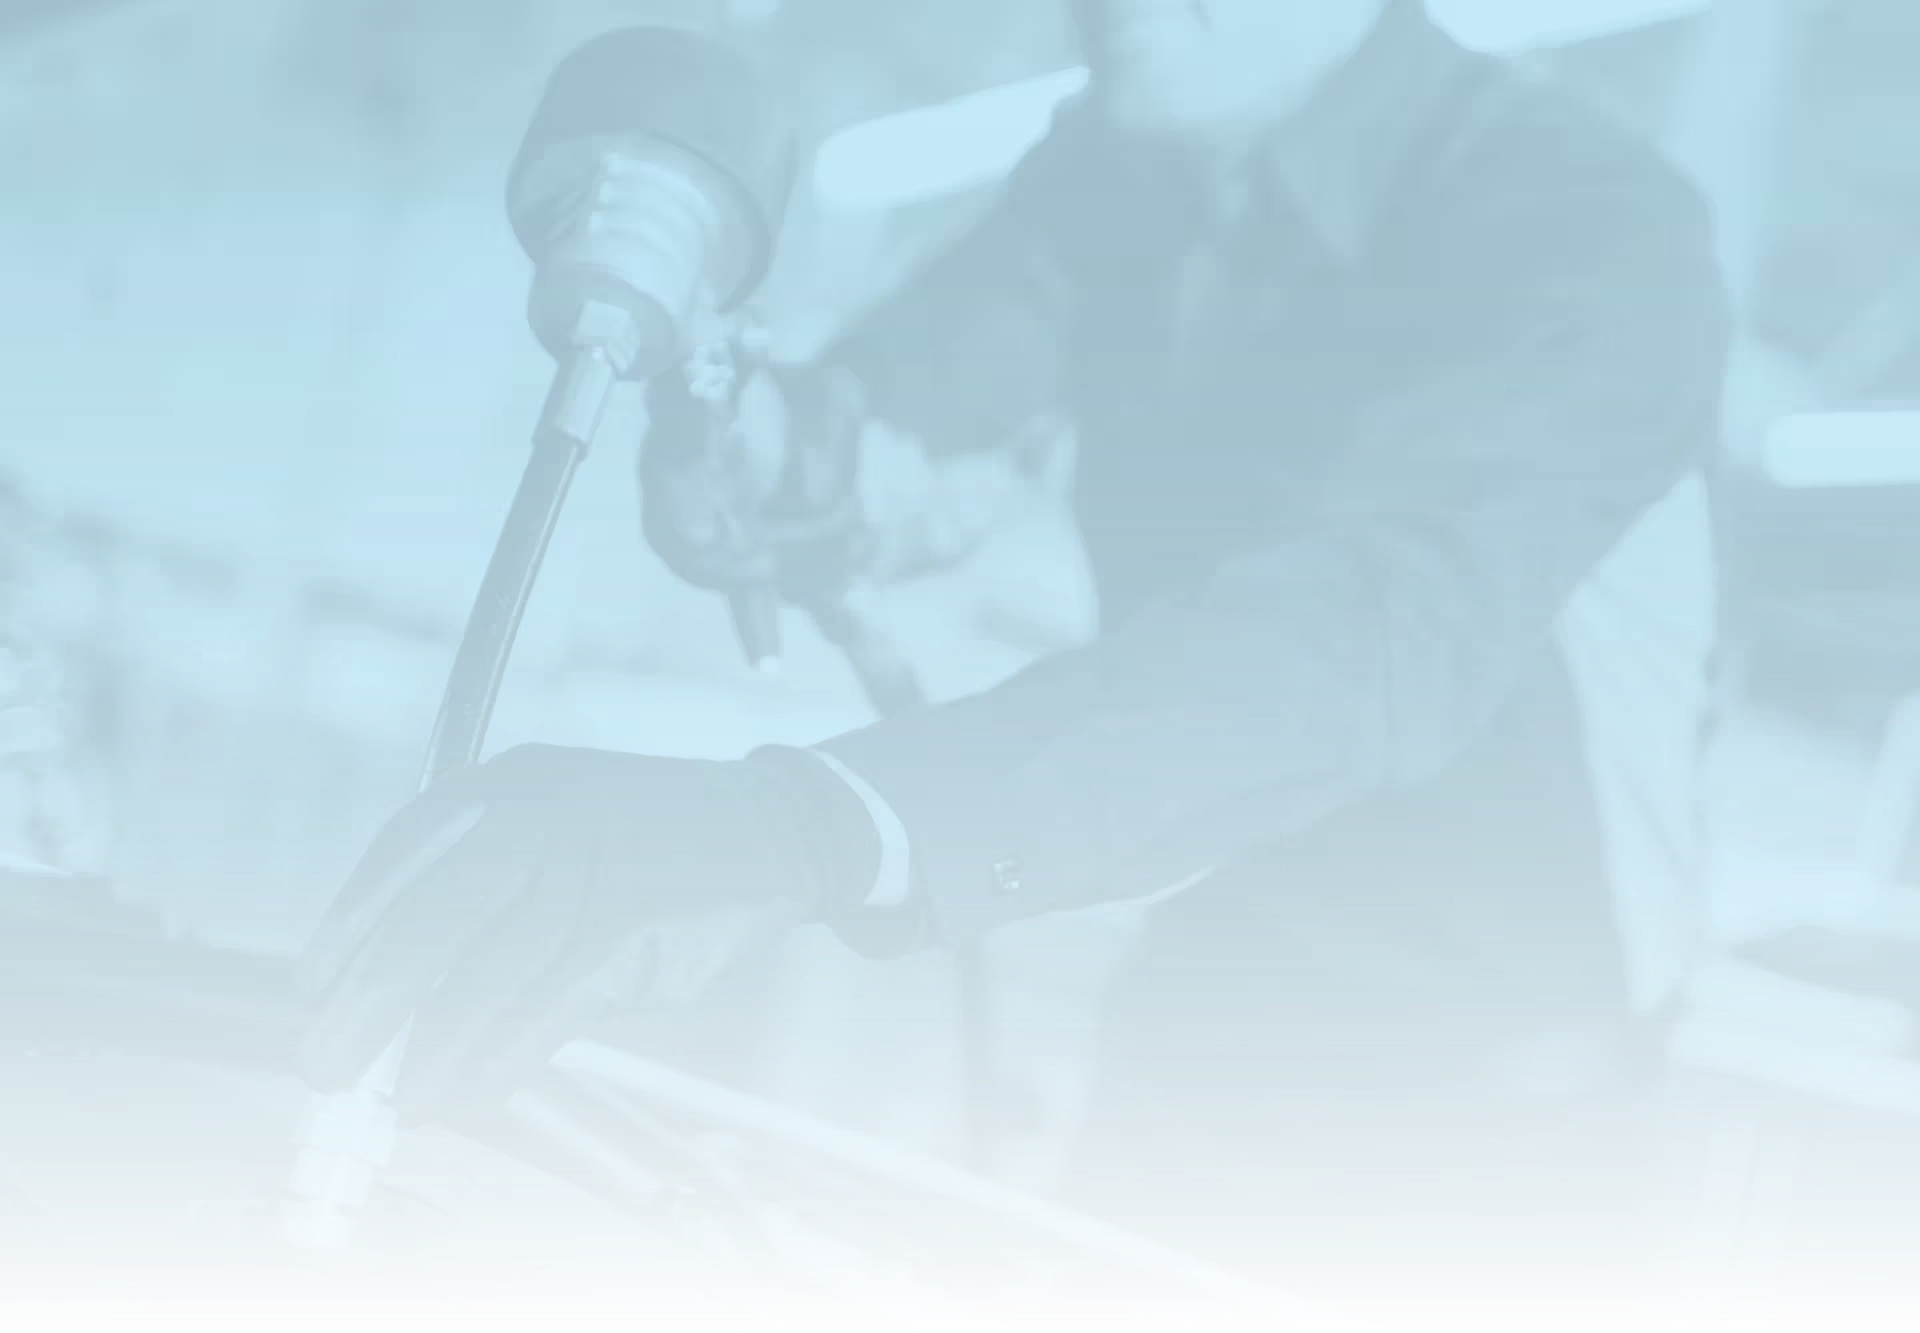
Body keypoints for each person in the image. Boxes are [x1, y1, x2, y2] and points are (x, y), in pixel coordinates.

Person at [294, 0, 1733, 1319]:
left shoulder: (1593, 232)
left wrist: (800, 824)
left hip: (1492, 1164)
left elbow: (1364, 640)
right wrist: (744, 432)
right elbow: (901, 419)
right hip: (1179, 1079)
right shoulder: (1121, 169)